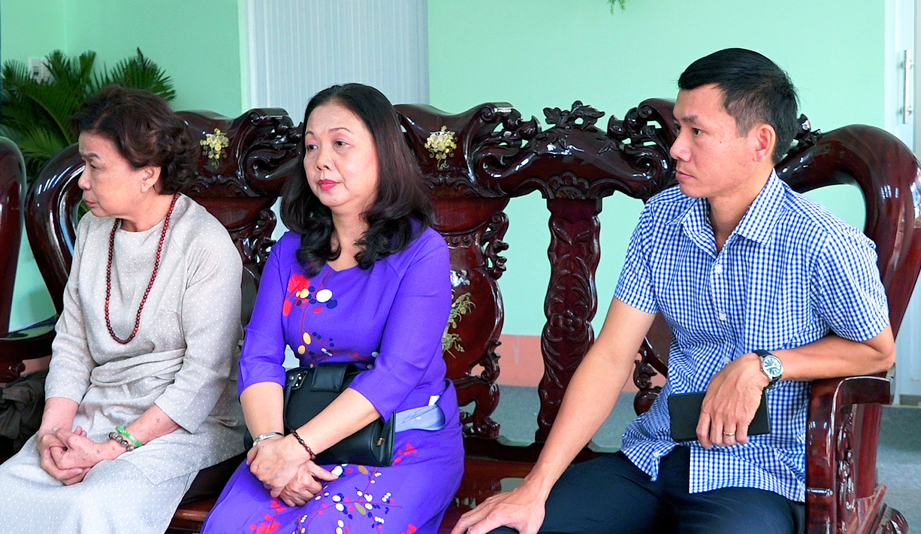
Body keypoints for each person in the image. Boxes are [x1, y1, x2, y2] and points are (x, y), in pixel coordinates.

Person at [452, 48, 894, 534]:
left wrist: (765, 365)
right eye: (679, 128)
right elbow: (612, 355)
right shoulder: (662, 219)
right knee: (503, 529)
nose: (678, 148)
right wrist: (535, 487)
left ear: (759, 142)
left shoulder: (824, 242)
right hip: (656, 456)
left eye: (697, 131)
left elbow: (877, 350)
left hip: (758, 474)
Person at [201, 83, 464, 534]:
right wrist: (271, 445)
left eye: (340, 143)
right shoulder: (290, 252)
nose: (321, 160)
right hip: (300, 436)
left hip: (402, 444)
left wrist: (297, 448)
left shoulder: (423, 252)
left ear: (383, 153)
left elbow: (396, 373)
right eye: (311, 146)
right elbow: (259, 355)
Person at [0, 86, 246, 533]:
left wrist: (113, 448)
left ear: (147, 174)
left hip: (186, 426)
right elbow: (72, 346)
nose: (82, 181)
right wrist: (52, 434)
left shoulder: (204, 244)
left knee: (93, 503)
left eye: (95, 166)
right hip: (97, 412)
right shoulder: (94, 230)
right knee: (6, 491)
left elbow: (205, 377)